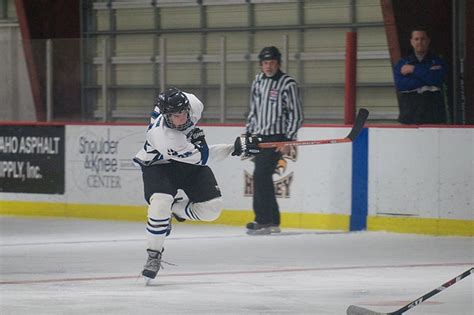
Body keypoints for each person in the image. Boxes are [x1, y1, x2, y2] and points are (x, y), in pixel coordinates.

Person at [133, 87, 258, 280]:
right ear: (167, 116)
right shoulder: (164, 137)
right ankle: (154, 255)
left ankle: (175, 209)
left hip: (187, 162)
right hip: (157, 165)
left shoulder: (193, 103)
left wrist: (237, 146)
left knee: (212, 209)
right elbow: (203, 158)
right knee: (159, 205)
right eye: (176, 115)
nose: (183, 118)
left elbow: (198, 156)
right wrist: (233, 148)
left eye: (184, 112)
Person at [243, 46, 304, 235]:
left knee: (260, 175)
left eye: (272, 62)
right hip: (259, 137)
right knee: (263, 177)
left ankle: (263, 220)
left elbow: (296, 114)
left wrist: (288, 140)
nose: (268, 66)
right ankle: (273, 220)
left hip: (276, 138)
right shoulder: (258, 81)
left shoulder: (287, 84)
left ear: (278, 63)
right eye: (265, 63)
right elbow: (254, 110)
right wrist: (248, 133)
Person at [393, 28, 447, 124]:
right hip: (409, 113)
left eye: (422, 39)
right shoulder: (402, 63)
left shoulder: (438, 61)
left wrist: (414, 70)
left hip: (433, 113)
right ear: (411, 42)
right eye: (416, 39)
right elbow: (400, 85)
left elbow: (436, 79)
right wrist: (426, 75)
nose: (420, 42)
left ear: (428, 41)